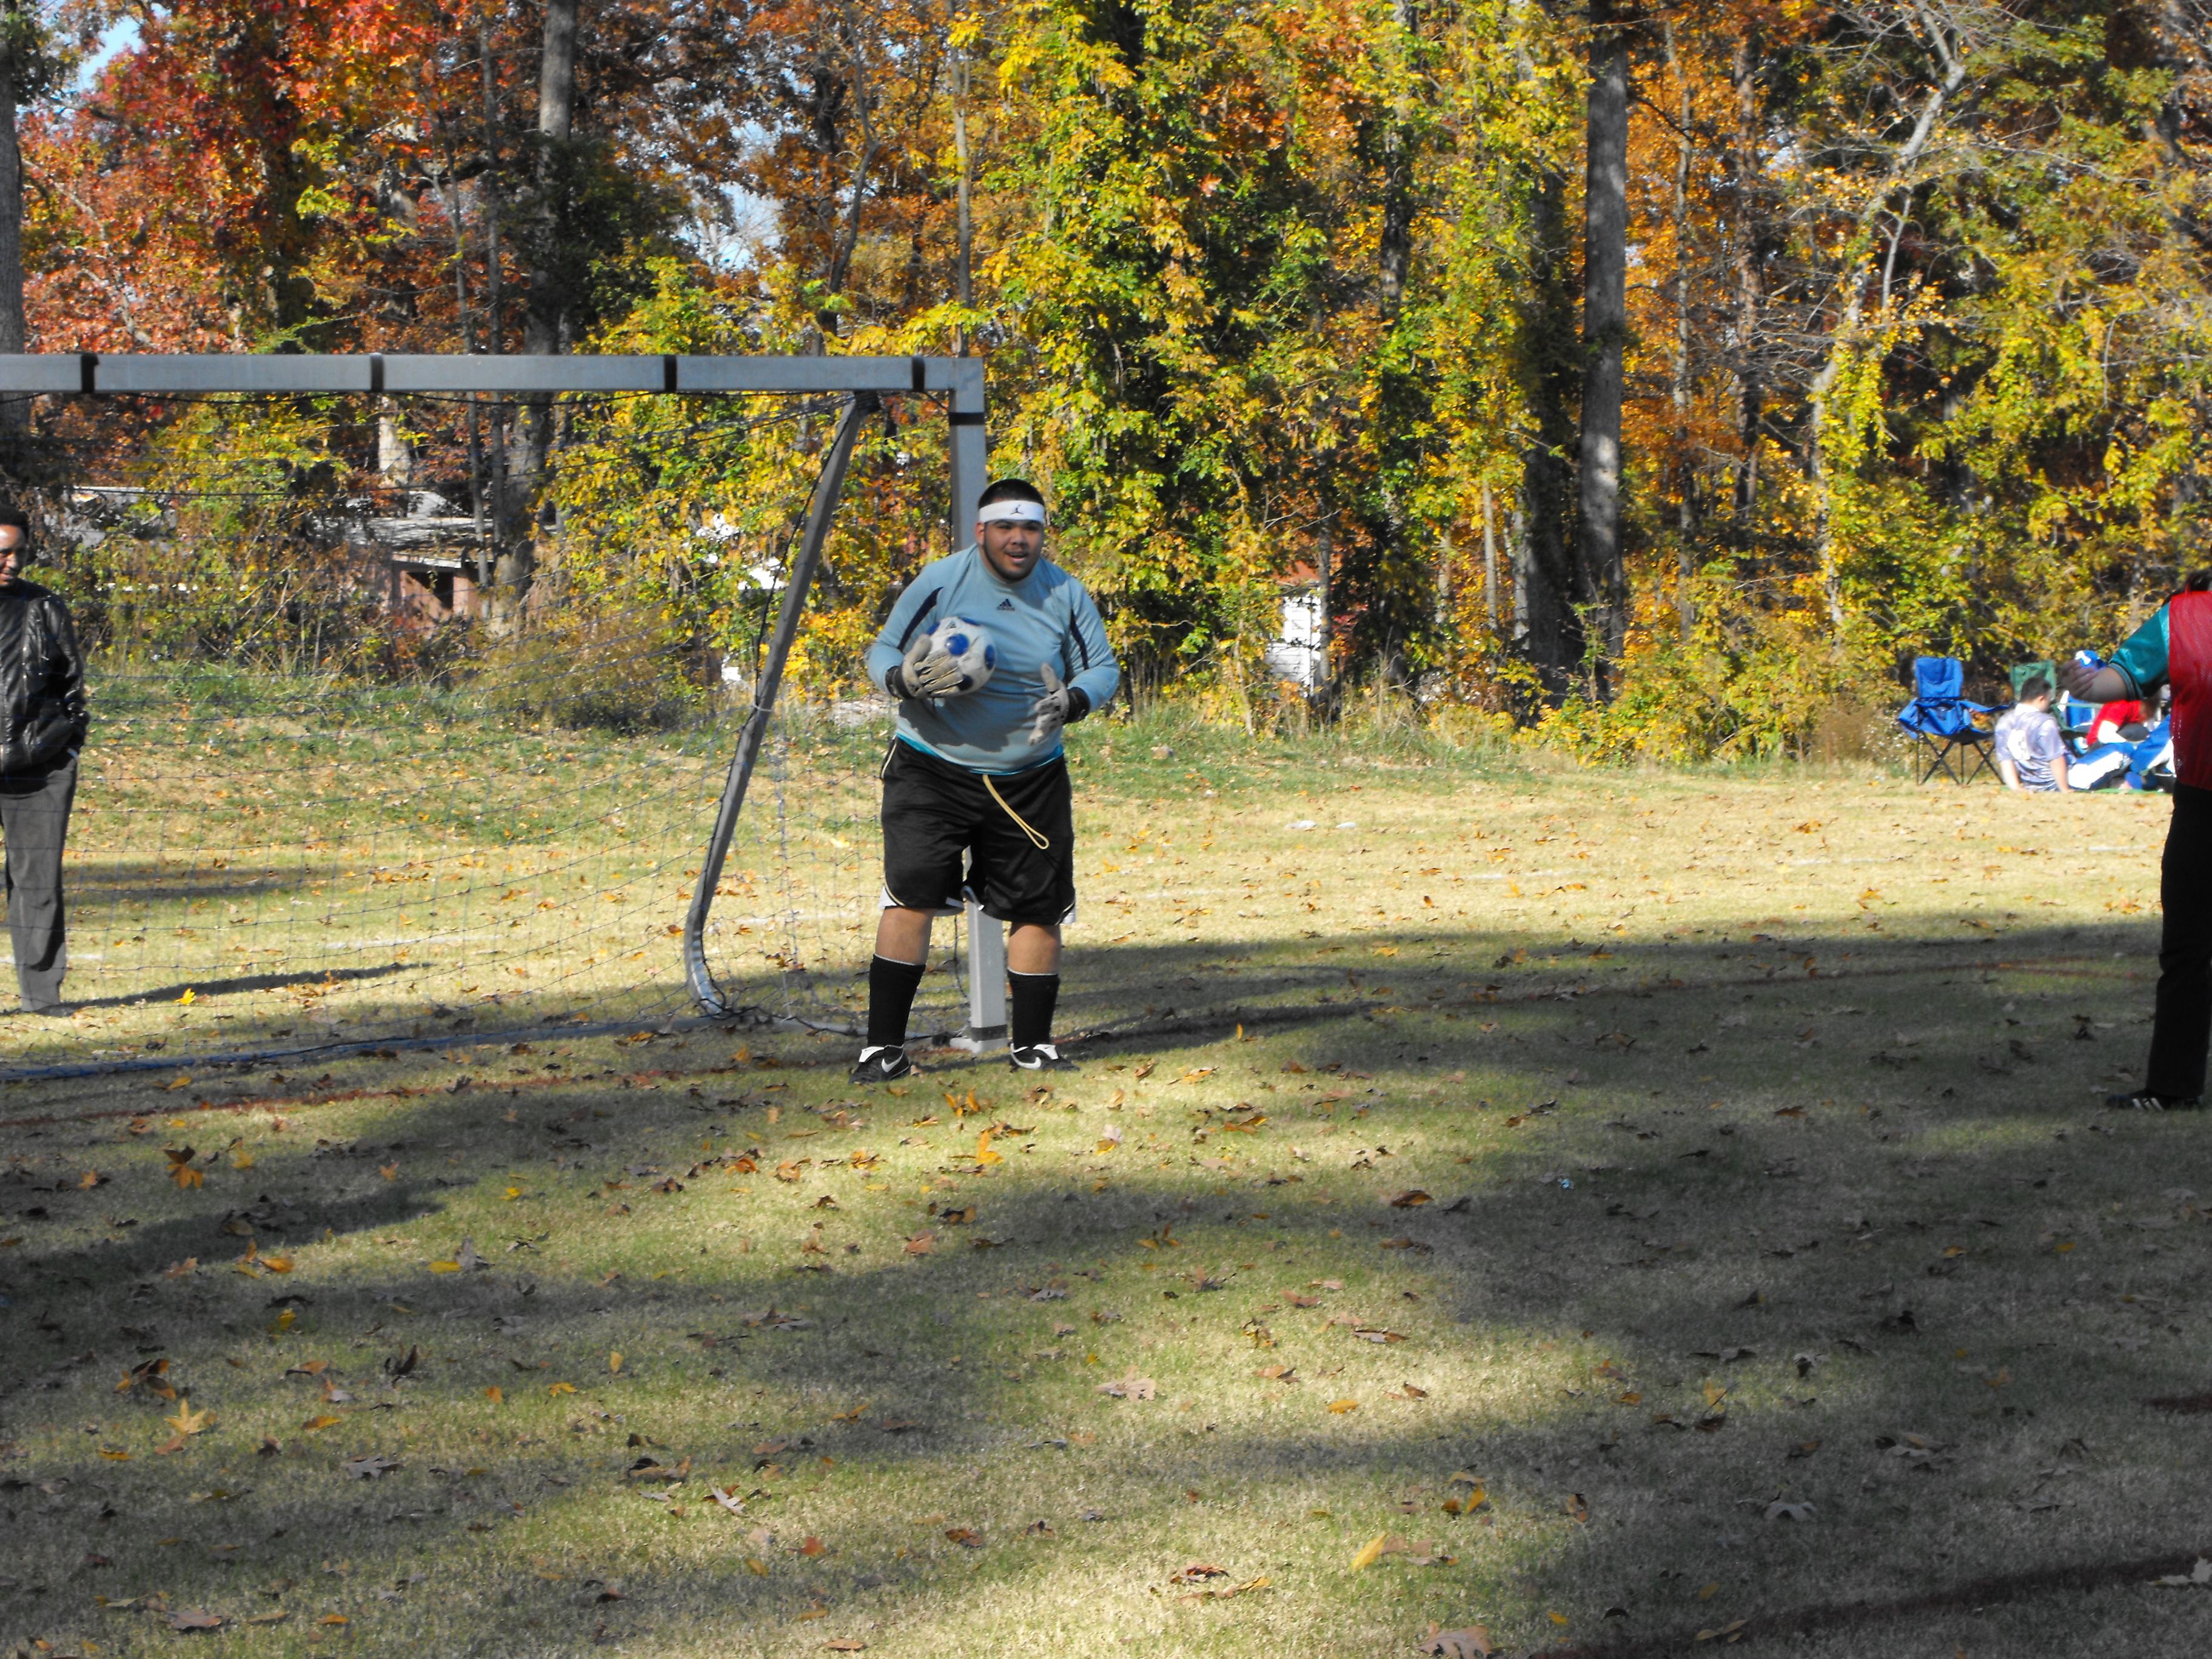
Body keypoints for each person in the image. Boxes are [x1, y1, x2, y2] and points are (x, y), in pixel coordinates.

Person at [849, 478, 1119, 1081]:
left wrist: (1073, 700)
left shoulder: (1065, 593)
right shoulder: (943, 581)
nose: (1019, 540)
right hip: (931, 767)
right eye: (1007, 528)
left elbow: (1103, 667)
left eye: (1031, 529)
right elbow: (883, 650)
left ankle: (1034, 1047)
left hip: (1029, 779)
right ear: (982, 532)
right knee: (911, 897)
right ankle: (882, 1052)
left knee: (1037, 908)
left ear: (1043, 534)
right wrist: (903, 680)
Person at [2063, 572, 2212, 1110]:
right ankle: (2172, 1089)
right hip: (2204, 801)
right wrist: (2086, 684)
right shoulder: (2188, 614)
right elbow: (2123, 678)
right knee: (2187, 949)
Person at [0, 506, 88, 1016]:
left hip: (38, 771)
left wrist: (66, 745)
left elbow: (73, 688)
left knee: (37, 886)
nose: (12, 563)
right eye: (3, 552)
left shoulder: (46, 607)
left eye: (20, 553)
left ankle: (41, 996)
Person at [1992, 677, 2070, 794]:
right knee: (2107, 753)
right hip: (2060, 780)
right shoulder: (2045, 722)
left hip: (2029, 783)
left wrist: (2016, 788)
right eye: (2049, 700)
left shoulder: (2004, 722)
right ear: (2042, 699)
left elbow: (2006, 760)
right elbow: (2056, 758)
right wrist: (2065, 789)